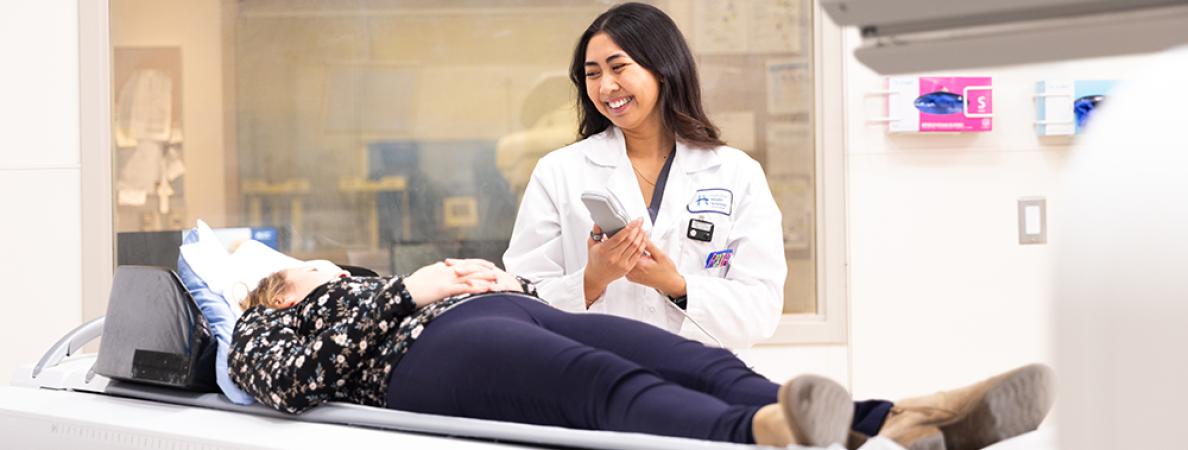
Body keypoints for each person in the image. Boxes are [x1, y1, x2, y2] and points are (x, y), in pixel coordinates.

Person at [228, 258, 1054, 450]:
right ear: (279, 292)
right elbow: (288, 384)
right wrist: (409, 293)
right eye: (314, 269)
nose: (332, 267)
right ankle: (761, 435)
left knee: (699, 360)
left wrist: (493, 277)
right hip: (424, 354)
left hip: (507, 308)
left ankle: (902, 419)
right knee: (600, 386)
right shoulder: (265, 324)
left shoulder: (362, 282)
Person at [503, 2, 785, 349]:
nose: (606, 87)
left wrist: (676, 286)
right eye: (592, 74)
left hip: (701, 386)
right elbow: (520, 302)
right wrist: (592, 280)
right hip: (598, 381)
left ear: (662, 69)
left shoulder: (735, 173)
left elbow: (761, 310)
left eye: (618, 67)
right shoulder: (559, 172)